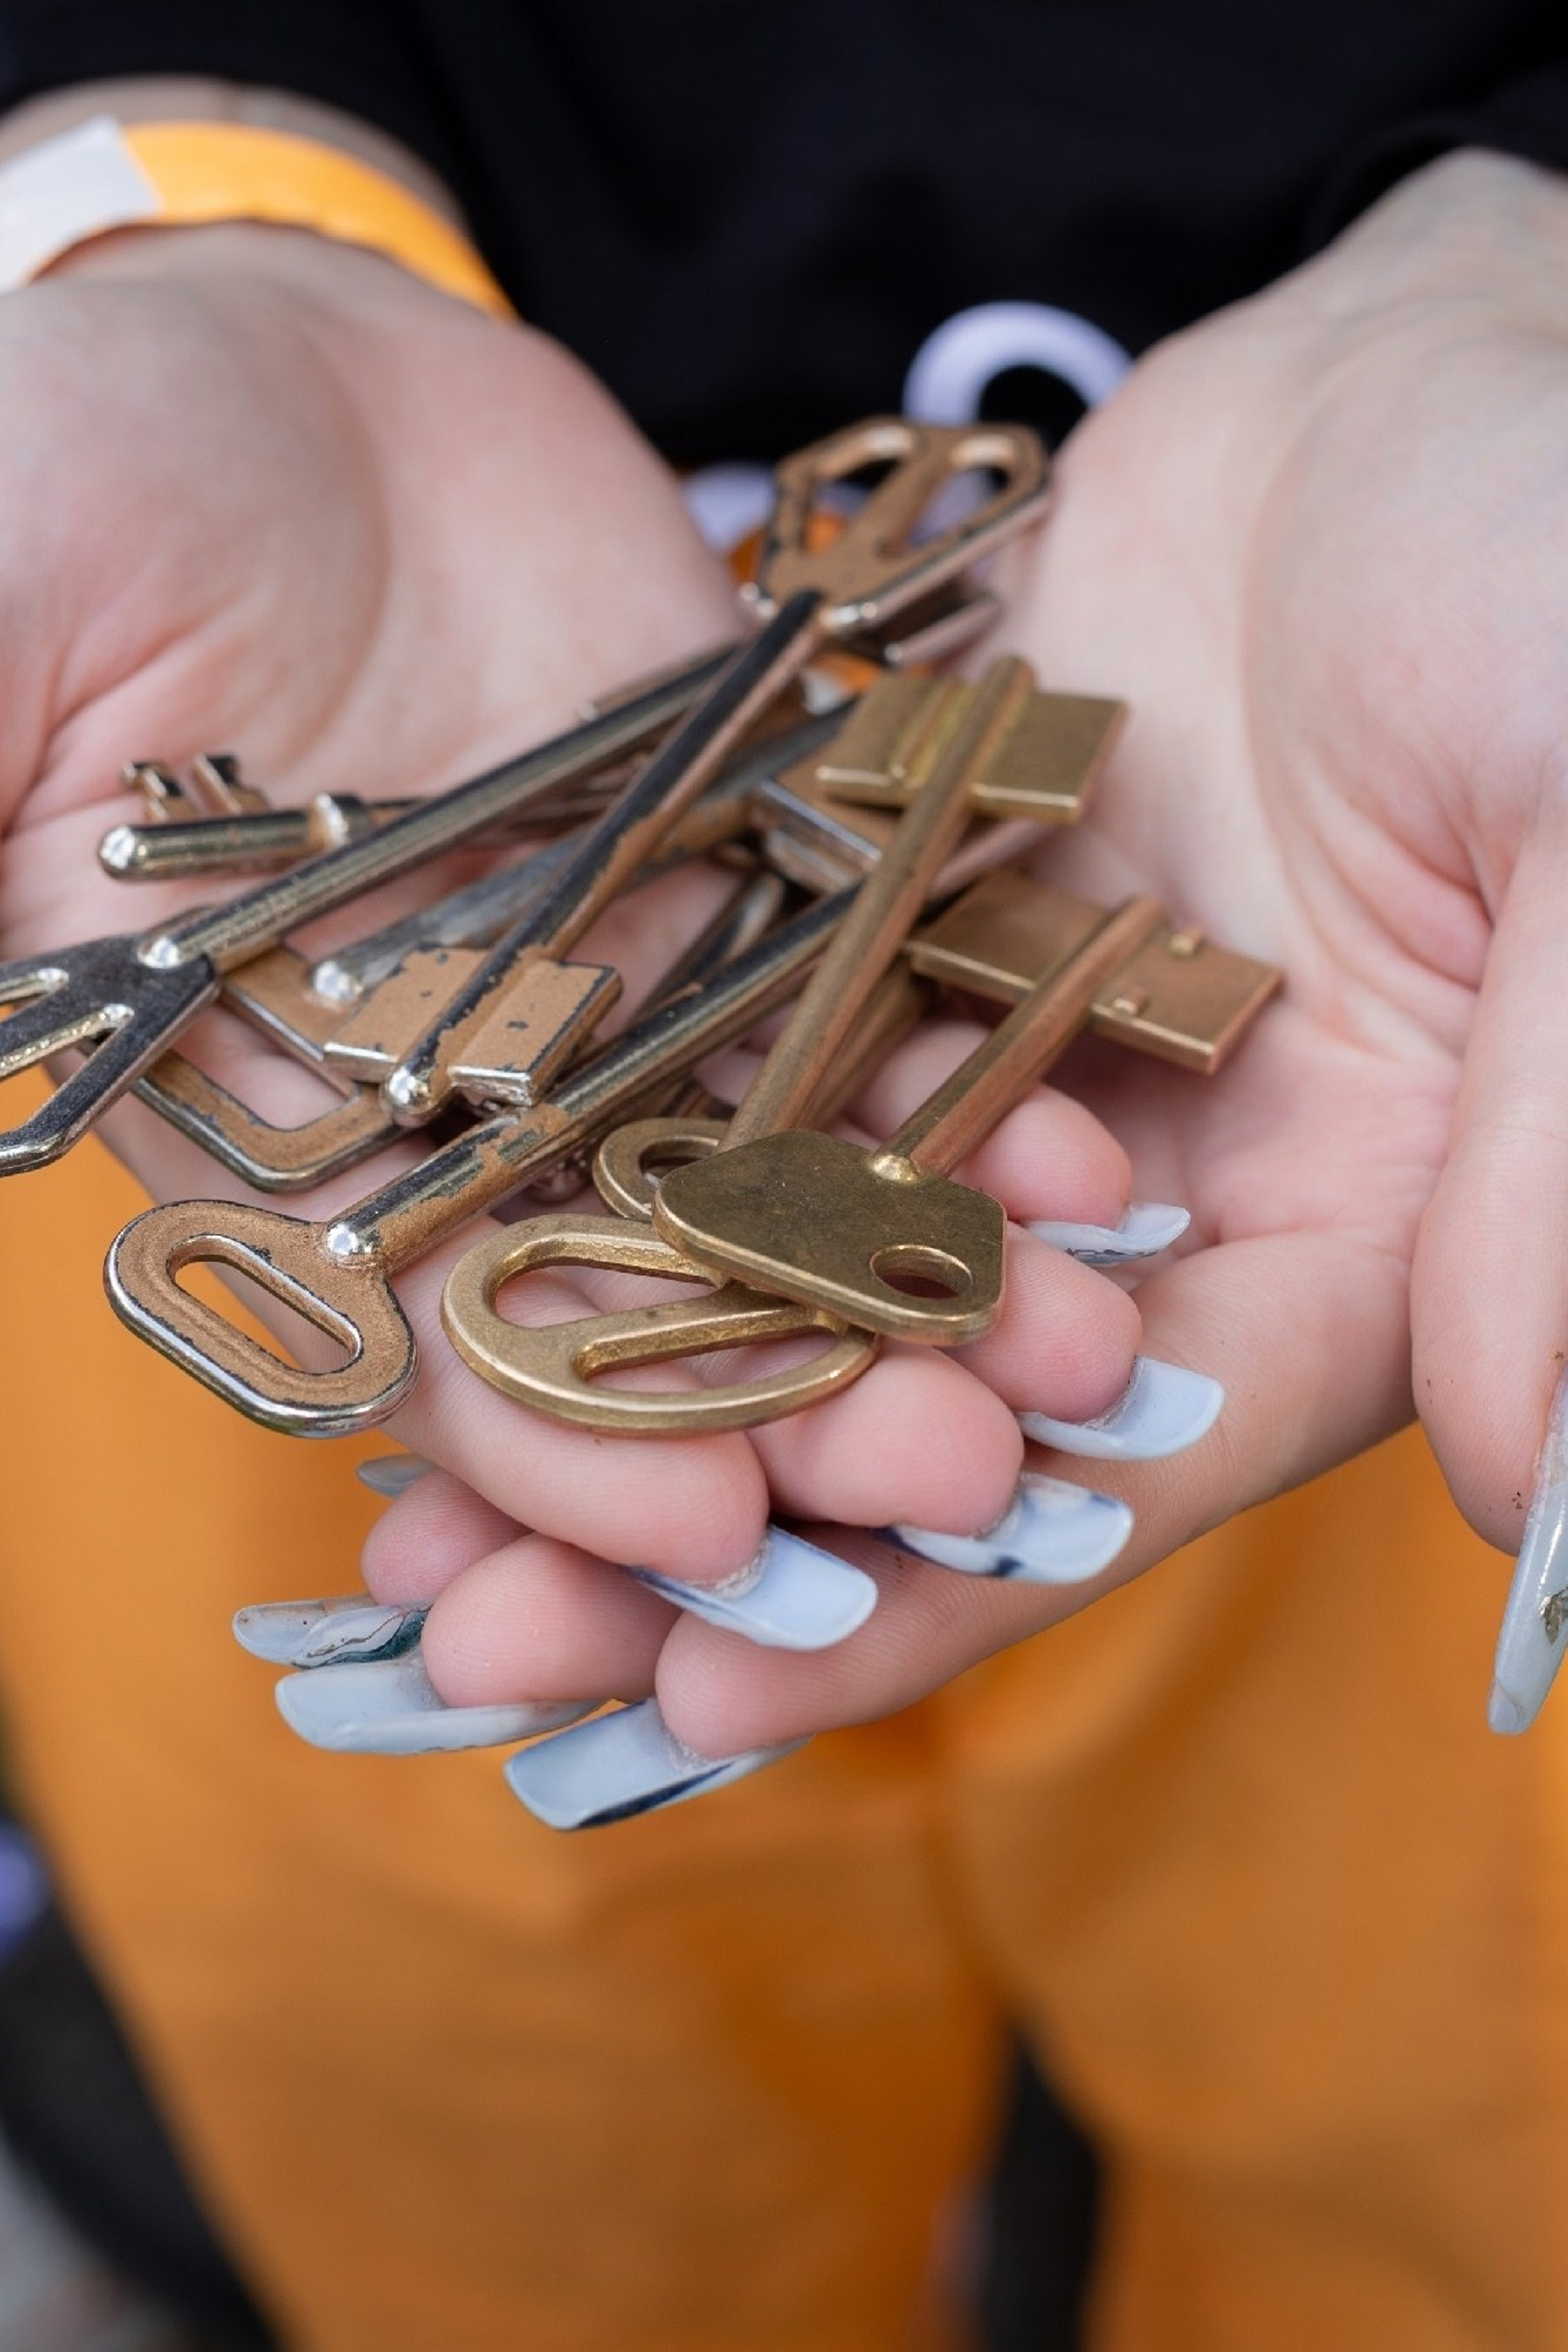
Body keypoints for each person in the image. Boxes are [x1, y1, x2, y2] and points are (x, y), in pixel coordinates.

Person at [0, 9, 1565, 2345]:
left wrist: (1525, 241)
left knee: (1452, 2108)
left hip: (1393, 1021)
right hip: (262, 931)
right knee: (481, 2105)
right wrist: (145, 179)